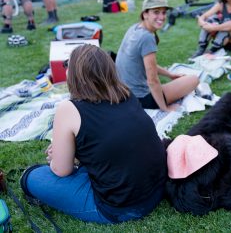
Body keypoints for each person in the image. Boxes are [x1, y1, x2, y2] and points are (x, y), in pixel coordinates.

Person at [23, 45, 167, 223]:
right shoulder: (126, 94)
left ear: (75, 74)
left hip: (120, 207)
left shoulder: (68, 109)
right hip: (156, 190)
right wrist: (74, 154)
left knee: (32, 177)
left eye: (67, 65)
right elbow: (112, 144)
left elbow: (61, 171)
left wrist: (57, 158)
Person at [116, 0, 199, 111]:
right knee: (193, 80)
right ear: (145, 14)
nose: (161, 17)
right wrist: (165, 108)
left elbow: (147, 65)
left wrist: (170, 75)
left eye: (164, 13)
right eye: (156, 12)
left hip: (123, 92)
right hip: (141, 98)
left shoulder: (134, 28)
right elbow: (152, 79)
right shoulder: (147, 37)